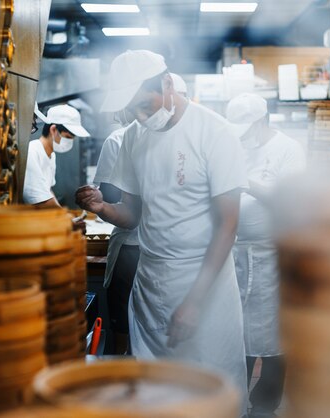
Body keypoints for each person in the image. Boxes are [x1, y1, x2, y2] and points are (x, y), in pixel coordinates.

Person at [75, 50, 249, 415]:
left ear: (168, 83)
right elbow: (134, 216)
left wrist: (194, 302)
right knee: (155, 394)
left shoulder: (214, 132)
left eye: (145, 104)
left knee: (210, 394)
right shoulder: (135, 137)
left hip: (206, 286)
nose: (141, 116)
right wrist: (102, 208)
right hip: (153, 282)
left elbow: (227, 226)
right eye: (133, 109)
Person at [93, 75, 190, 355]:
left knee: (152, 328)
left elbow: (111, 196)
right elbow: (118, 203)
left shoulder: (197, 137)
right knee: (136, 327)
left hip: (156, 252)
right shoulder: (127, 137)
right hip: (139, 249)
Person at [227, 93, 306, 418]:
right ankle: (234, 400)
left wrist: (251, 186)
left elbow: (293, 205)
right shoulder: (235, 146)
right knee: (235, 333)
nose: (243, 137)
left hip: (272, 256)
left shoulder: (288, 150)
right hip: (235, 254)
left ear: (262, 121)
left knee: (273, 336)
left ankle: (264, 405)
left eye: (247, 129)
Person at [23, 104, 89, 207]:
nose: (70, 142)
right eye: (68, 137)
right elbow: (41, 200)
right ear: (53, 130)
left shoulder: (51, 155)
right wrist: (66, 218)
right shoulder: (32, 151)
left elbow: (47, 192)